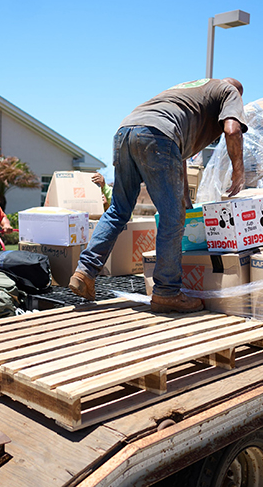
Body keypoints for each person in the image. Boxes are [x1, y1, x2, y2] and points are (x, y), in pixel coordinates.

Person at [69, 78, 248, 313]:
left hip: (126, 131)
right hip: (156, 135)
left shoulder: (191, 91)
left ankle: (85, 272)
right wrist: (238, 171)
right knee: (171, 218)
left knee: (118, 209)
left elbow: (178, 156)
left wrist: (185, 202)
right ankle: (166, 292)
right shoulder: (228, 91)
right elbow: (232, 130)